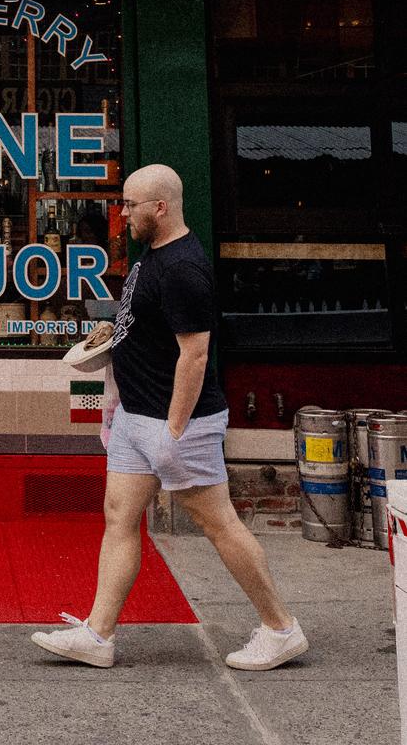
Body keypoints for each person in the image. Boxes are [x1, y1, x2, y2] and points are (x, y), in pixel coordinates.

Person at [32, 163, 308, 672]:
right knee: (119, 518)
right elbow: (142, 325)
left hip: (175, 425)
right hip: (137, 418)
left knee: (220, 524)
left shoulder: (183, 268)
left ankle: (281, 629)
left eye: (130, 205)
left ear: (160, 207)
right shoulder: (152, 256)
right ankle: (98, 635)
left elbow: (195, 355)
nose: (123, 213)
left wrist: (176, 430)